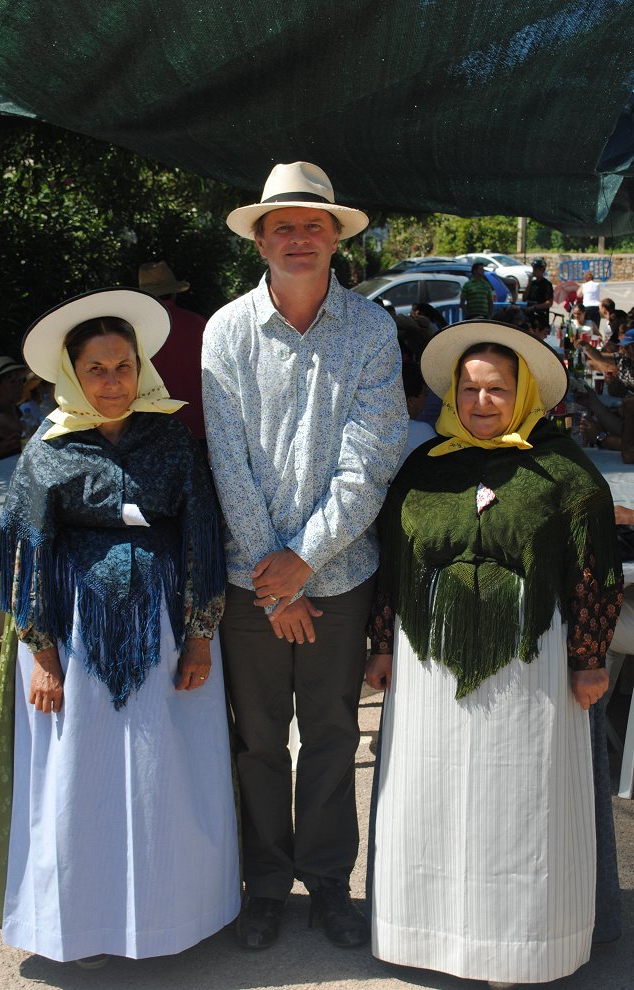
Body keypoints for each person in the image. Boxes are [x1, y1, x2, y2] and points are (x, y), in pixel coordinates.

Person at [0, 287, 240, 964]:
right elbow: (26, 549)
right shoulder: (48, 448)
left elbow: (201, 534)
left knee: (168, 769)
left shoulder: (171, 440)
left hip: (162, 633)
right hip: (77, 636)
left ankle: (172, 916)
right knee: (83, 775)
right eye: (96, 369)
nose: (112, 381)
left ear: (141, 366)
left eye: (122, 365)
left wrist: (201, 634)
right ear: (72, 374)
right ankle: (84, 924)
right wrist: (42, 654)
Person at [367, 320, 622, 988]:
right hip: (426, 672)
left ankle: (521, 945)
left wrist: (588, 656)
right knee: (434, 794)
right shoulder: (422, 470)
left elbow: (595, 571)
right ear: (453, 393)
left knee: (517, 805)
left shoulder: (564, 472)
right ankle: (426, 932)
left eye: (498, 390)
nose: (482, 403)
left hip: (527, 672)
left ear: (525, 394)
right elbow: (393, 563)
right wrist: (380, 646)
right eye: (471, 389)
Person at [202, 161, 406, 950]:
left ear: (334, 237)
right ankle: (263, 885)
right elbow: (227, 462)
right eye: (281, 224)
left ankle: (327, 885)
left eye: (311, 224)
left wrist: (306, 561)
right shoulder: (226, 331)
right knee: (256, 740)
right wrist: (276, 580)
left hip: (340, 574)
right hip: (252, 581)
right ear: (258, 238)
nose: (298, 236)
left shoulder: (369, 328)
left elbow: (374, 455)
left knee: (329, 735)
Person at [139, 260, 207, 440]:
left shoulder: (135, 333)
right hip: (201, 425)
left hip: (156, 429)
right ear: (175, 293)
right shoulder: (198, 323)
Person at [521, 256, 553, 330]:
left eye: (538, 269)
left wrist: (535, 307)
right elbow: (524, 298)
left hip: (540, 315)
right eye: (534, 269)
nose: (535, 271)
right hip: (529, 314)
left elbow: (549, 303)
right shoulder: (532, 283)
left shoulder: (546, 284)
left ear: (542, 270)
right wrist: (529, 283)